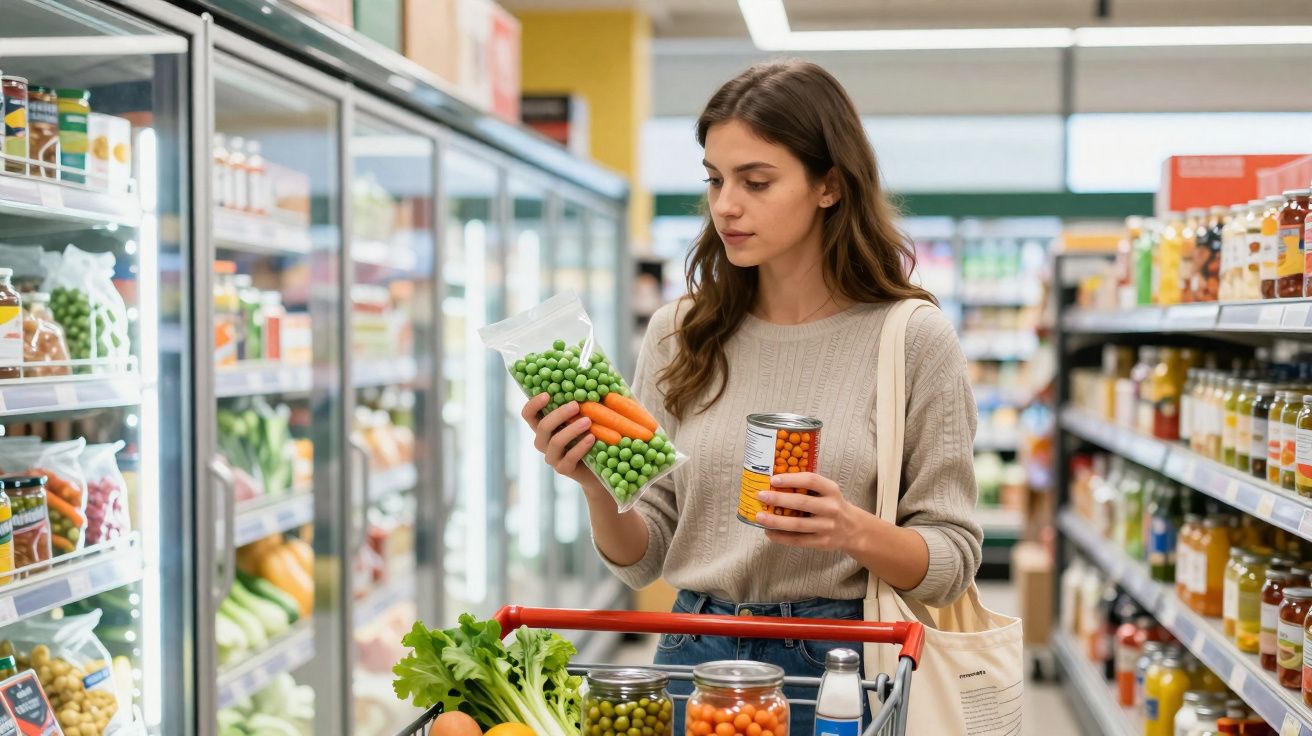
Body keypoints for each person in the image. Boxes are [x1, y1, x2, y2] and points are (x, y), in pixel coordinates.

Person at [520, 60, 982, 734]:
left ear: (829, 185)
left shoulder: (911, 338)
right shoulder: (682, 333)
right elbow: (643, 557)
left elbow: (953, 559)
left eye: (755, 181)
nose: (725, 205)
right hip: (692, 659)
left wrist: (850, 529)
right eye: (714, 179)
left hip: (839, 669)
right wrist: (596, 485)